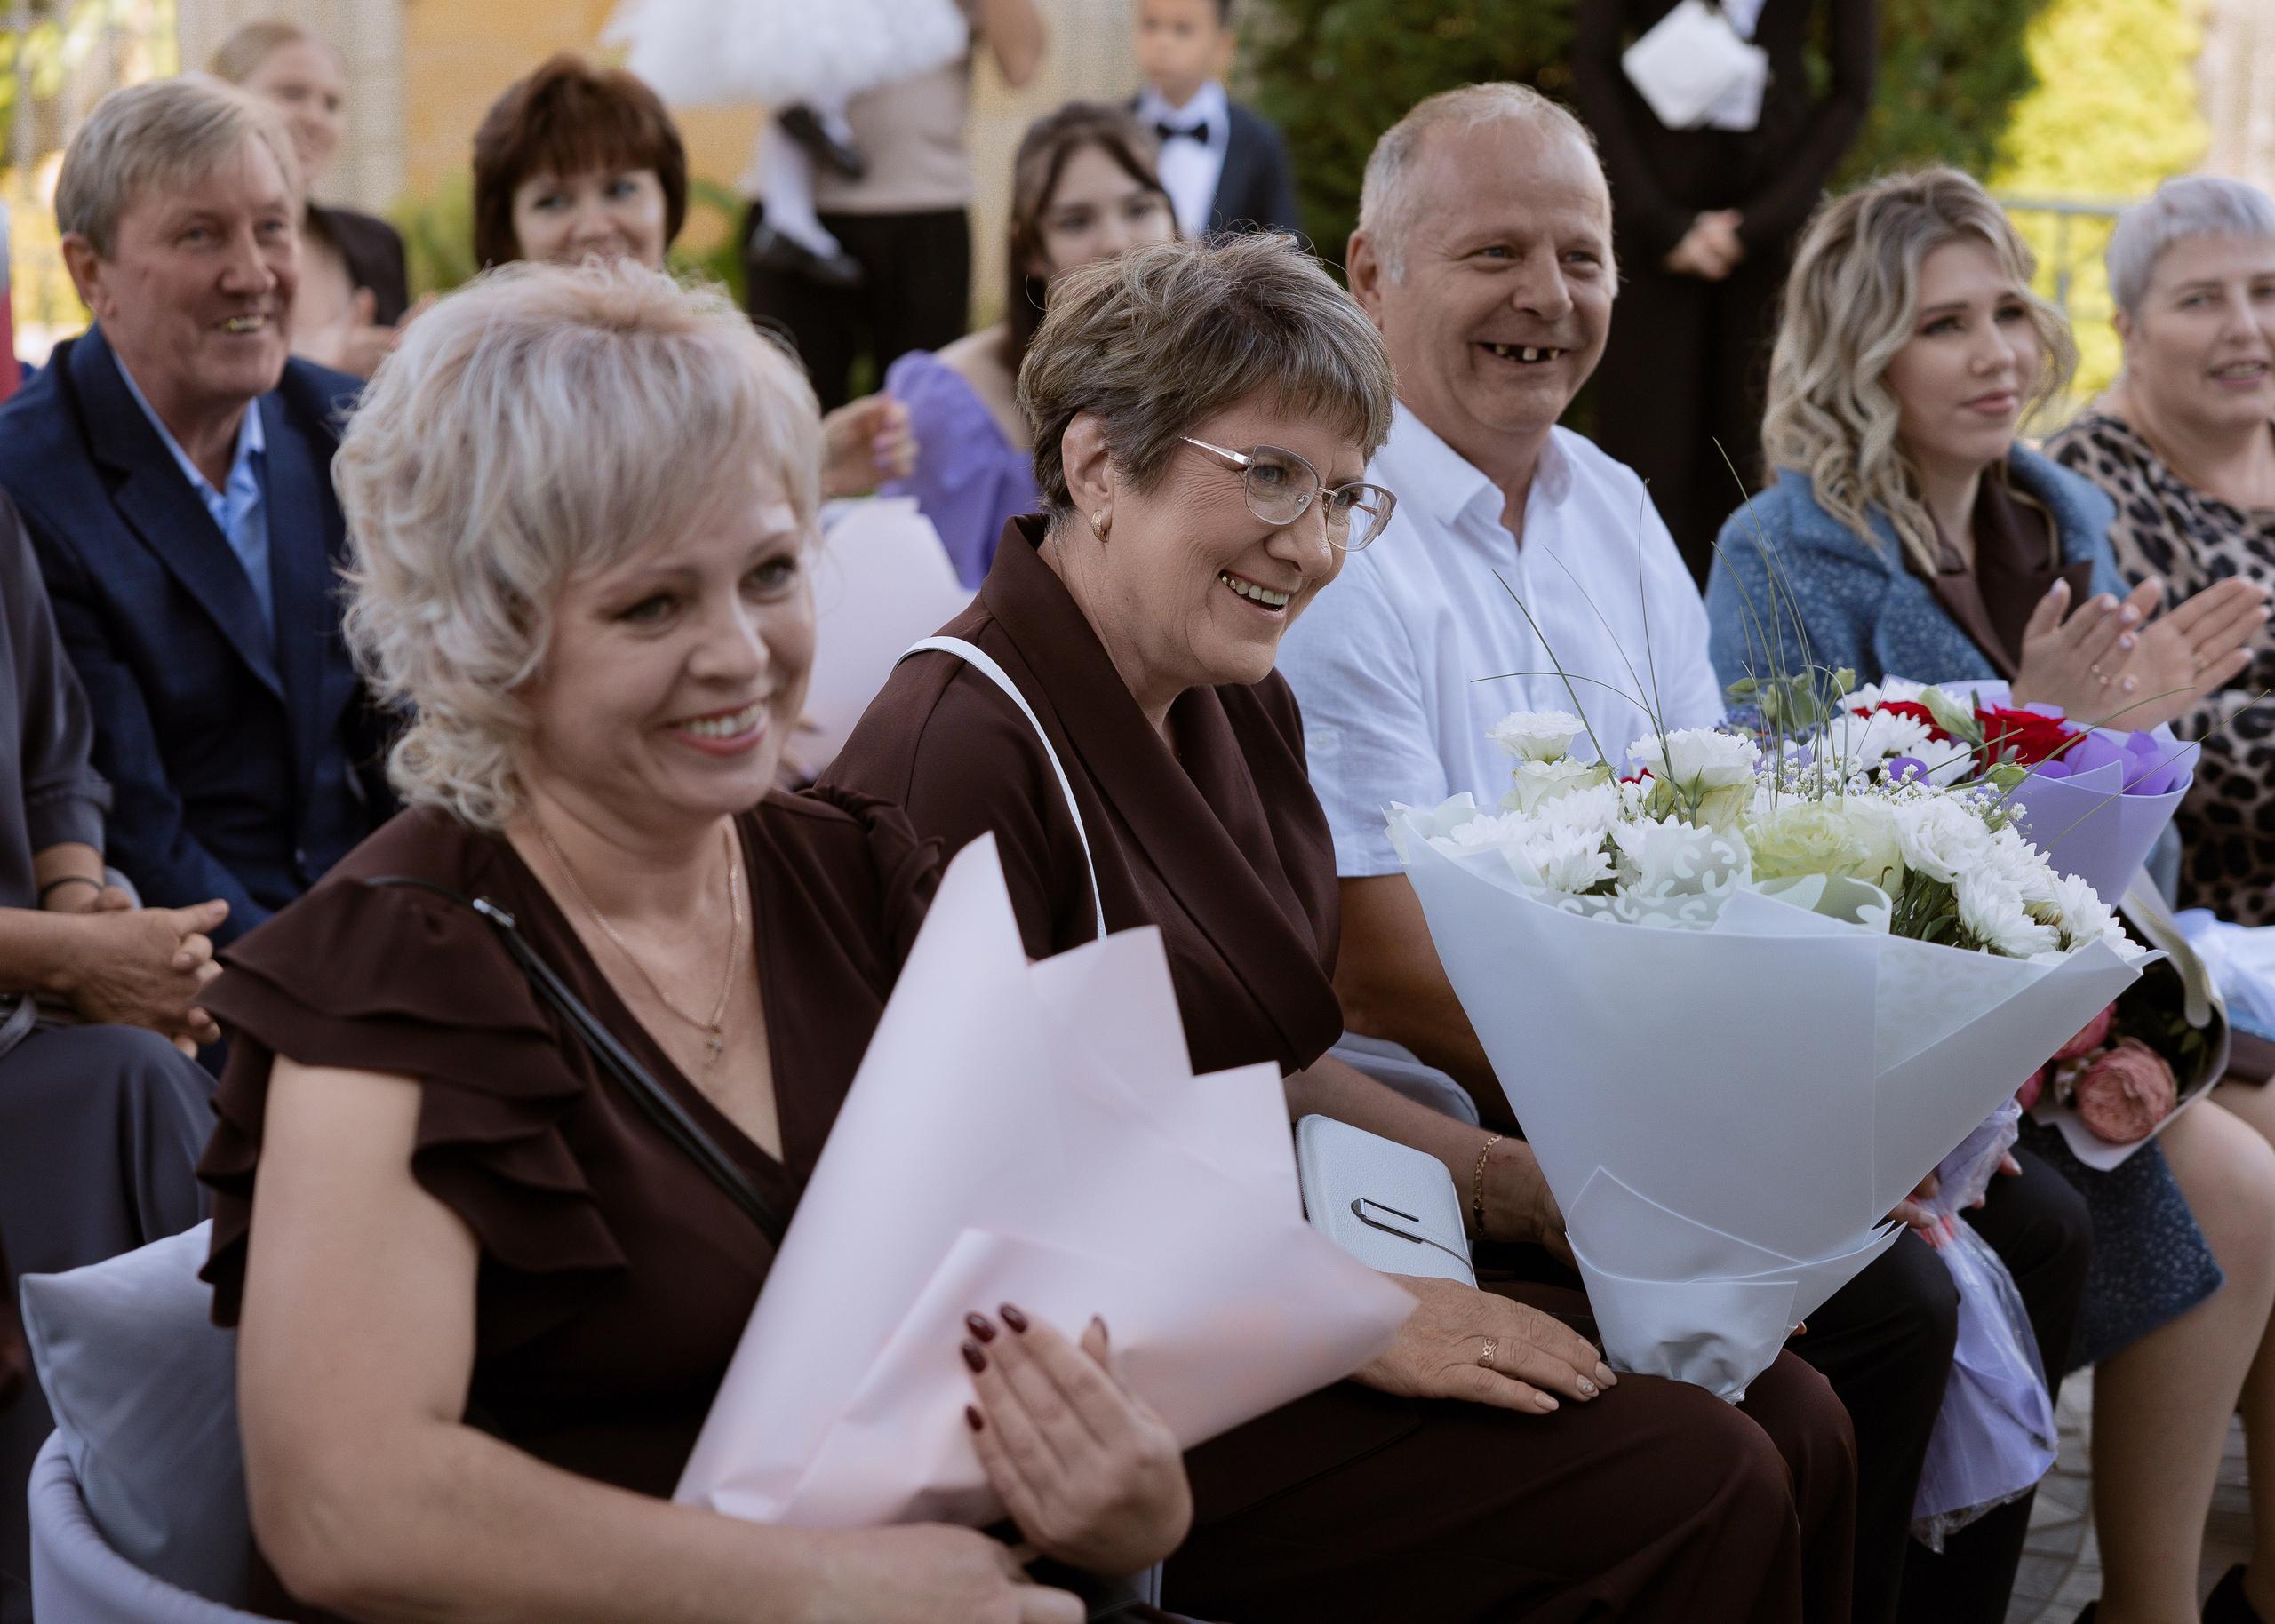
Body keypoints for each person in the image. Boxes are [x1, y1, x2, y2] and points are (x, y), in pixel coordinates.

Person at [826, 230, 1856, 1623]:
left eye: (1344, 496)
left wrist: (1513, 1184)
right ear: (1093, 468)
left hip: (1279, 1255)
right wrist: (1353, 1311)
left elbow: (1262, 1057)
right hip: (1104, 1390)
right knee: (1701, 1472)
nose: (1311, 546)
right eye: (1267, 476)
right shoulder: (955, 755)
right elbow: (969, 1212)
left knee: (1792, 1407)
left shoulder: (1231, 693)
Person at [195, 259, 1192, 1624]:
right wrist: (829, 1589)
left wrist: (1132, 1491)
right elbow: (347, 1509)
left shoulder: (872, 883)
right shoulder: (390, 976)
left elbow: (1070, 1318)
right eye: (652, 606)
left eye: (771, 572)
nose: (740, 653)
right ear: (488, 640)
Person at [1270, 89, 2085, 1624]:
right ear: (1370, 276)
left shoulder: (1617, 504)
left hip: (1656, 1076)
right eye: (1492, 251)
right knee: (1895, 1303)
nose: (1547, 298)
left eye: (1580, 256)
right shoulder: (1336, 541)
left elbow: (1724, 834)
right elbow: (1372, 958)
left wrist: (1850, 1082)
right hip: (1450, 1123)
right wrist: (1755, 1115)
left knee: (2032, 1218)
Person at [1705, 167, 2275, 1624]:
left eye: (2008, 310)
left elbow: (2120, 852)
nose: (1997, 353)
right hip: (1880, 1054)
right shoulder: (1779, 551)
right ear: (1861, 352)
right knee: (2236, 1190)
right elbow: (1794, 853)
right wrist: (2028, 728)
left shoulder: (2058, 511)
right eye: (1941, 323)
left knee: (2257, 1173)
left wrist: (2126, 738)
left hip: (2053, 1021)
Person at [0, 77, 395, 947]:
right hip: (183, 959)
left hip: (375, 913)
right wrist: (318, 988)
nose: (252, 274)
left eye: (272, 228)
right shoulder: (25, 485)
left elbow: (407, 729)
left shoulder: (346, 431)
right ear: (89, 272)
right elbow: (133, 819)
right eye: (199, 234)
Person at [0, 488, 233, 1624]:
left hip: (27, 1029)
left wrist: (88, 910)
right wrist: (73, 961)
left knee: (143, 1079)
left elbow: (54, 763)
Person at [471, 52, 914, 503]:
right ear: (507, 229)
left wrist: (816, 466)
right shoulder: (472, 393)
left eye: (620, 189)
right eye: (552, 201)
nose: (594, 226)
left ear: (668, 200)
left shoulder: (725, 371)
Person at [1572, 0, 1877, 584]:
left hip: (1771, 246)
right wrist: (1658, 220)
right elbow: (1592, 62)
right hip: (1648, 237)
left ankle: (1753, 650)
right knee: (1645, 462)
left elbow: (1852, 88)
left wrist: (1759, 224)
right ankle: (1633, 651)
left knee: (1759, 458)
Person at [2048, 177, 2275, 927]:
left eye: (2266, 291)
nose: (2245, 327)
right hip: (2209, 919)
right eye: (2200, 300)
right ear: (2129, 332)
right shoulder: (2080, 487)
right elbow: (2146, 724)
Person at [881, 102, 1177, 588]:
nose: (1117, 243)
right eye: (1076, 222)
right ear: (1031, 249)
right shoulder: (948, 403)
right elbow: (915, 599)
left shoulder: (1226, 378)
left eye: (1140, 209)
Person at [743, 0, 1045, 413]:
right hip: (790, 208)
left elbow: (1020, 62)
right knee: (785, 418)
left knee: (923, 421)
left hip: (923, 210)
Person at [210, 19, 412, 378]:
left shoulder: (378, 242)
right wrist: (329, 373)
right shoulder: (197, 245)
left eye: (331, 104)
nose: (316, 118)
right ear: (223, 97)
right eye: (292, 94)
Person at [1130, 0, 1300, 240]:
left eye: (1183, 29)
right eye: (1151, 25)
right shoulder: (1110, 131)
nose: (1162, 42)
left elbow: (1287, 249)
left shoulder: (1259, 143)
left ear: (1222, 44)